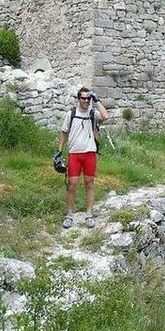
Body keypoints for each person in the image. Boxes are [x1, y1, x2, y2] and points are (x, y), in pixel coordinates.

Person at [55, 87, 108, 229]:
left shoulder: (93, 113)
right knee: (72, 184)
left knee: (89, 183)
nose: (86, 101)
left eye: (88, 98)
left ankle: (89, 215)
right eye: (83, 98)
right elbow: (63, 132)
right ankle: (69, 215)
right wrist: (59, 152)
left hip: (90, 153)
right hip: (74, 153)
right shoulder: (71, 114)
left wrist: (97, 100)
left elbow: (105, 116)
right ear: (78, 99)